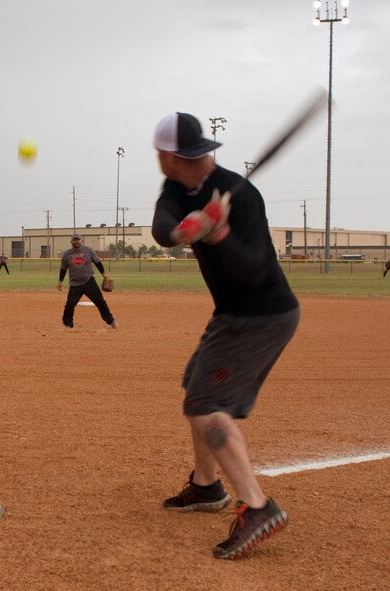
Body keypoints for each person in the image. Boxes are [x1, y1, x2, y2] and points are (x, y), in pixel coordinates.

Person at [151, 112, 299, 559]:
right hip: (232, 314)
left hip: (262, 313)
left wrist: (221, 234)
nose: (202, 163)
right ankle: (205, 486)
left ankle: (257, 506)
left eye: (203, 154)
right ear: (167, 159)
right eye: (189, 156)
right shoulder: (175, 188)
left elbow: (254, 270)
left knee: (205, 406)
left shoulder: (243, 195)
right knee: (195, 383)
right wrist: (185, 229)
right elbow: (162, 228)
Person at [57, 234, 118, 329]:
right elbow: (63, 269)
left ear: (81, 241)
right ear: (71, 241)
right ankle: (68, 324)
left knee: (100, 302)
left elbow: (98, 262)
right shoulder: (67, 254)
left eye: (78, 240)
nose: (76, 241)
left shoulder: (88, 251)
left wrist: (104, 275)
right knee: (70, 304)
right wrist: (60, 282)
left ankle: (111, 321)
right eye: (74, 240)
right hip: (75, 284)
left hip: (89, 281)